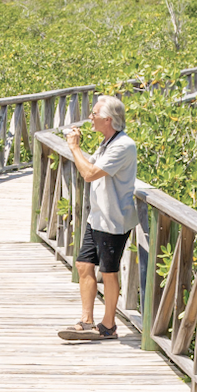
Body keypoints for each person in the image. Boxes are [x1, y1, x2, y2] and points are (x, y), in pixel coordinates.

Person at [58, 94, 139, 343]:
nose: (90, 118)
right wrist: (77, 148)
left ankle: (108, 325)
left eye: (94, 114)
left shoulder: (123, 145)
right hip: (98, 217)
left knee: (109, 272)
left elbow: (90, 173)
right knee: (83, 265)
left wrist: (73, 147)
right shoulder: (107, 142)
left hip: (114, 220)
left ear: (108, 119)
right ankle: (86, 320)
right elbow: (88, 166)